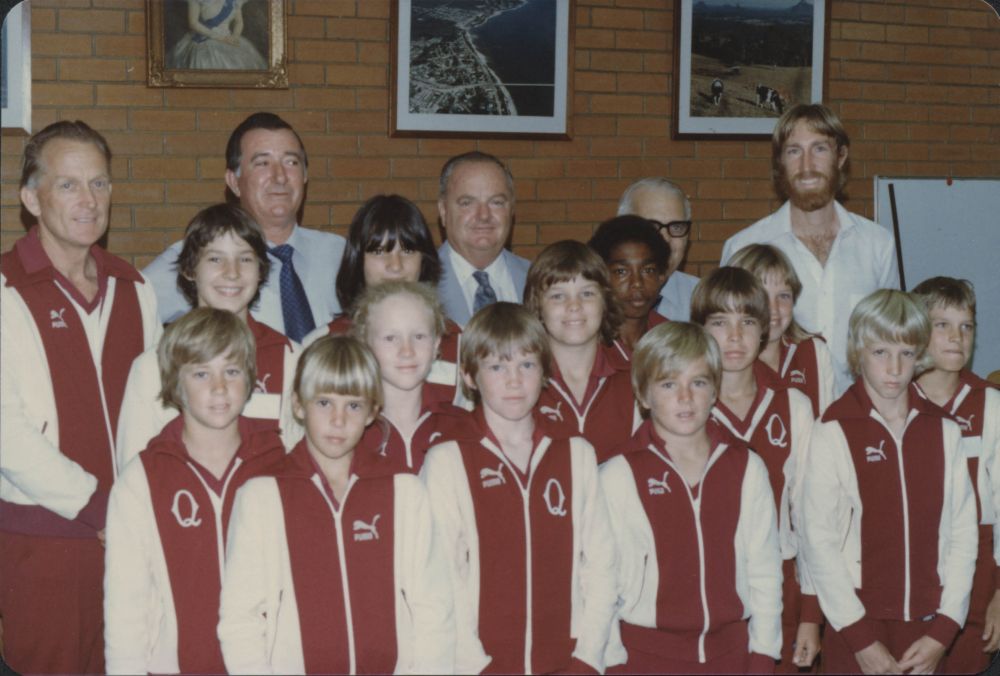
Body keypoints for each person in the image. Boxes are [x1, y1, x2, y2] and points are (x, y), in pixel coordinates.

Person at [0, 120, 161, 674]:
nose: (88, 200)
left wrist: (141, 509)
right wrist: (99, 507)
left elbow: (159, 410)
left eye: (99, 183)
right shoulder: (5, 290)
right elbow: (7, 434)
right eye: (68, 185)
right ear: (31, 199)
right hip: (45, 540)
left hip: (133, 536)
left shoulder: (135, 289)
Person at [218, 335, 454, 673]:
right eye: (324, 403)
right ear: (298, 405)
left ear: (373, 411)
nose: (338, 420)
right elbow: (240, 619)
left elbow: (433, 607)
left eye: (353, 405)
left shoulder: (404, 489)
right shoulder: (261, 495)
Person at [421, 302, 619, 673]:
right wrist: (476, 666)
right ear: (469, 376)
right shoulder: (448, 459)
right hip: (482, 665)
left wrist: (588, 658)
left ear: (545, 372)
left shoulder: (575, 453)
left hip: (569, 662)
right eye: (497, 367)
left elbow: (602, 565)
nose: (514, 380)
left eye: (526, 365)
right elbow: (443, 578)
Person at [799, 289, 977, 674]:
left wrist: (944, 630)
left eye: (906, 353)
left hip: (929, 627)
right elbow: (818, 541)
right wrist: (859, 638)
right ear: (858, 351)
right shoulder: (832, 430)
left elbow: (964, 533)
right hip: (856, 625)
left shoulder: (944, 431)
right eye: (880, 352)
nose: (895, 368)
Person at [104, 308, 285, 674]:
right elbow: (126, 606)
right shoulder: (143, 479)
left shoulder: (281, 466)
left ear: (250, 377)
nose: (219, 387)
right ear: (175, 382)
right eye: (201, 373)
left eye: (232, 371)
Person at [600, 322, 783, 674]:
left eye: (698, 382)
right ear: (643, 395)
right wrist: (613, 663)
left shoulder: (746, 466)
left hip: (732, 655)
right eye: (668, 384)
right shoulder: (618, 475)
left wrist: (763, 654)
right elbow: (600, 583)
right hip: (645, 658)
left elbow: (765, 570)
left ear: (714, 390)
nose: (685, 397)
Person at [720, 104, 899, 395]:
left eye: (819, 149)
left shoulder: (878, 244)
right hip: (776, 411)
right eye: (794, 151)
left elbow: (893, 338)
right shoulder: (744, 247)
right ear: (780, 162)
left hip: (860, 413)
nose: (806, 165)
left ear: (841, 156)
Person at [691, 267, 819, 672]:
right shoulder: (682, 407)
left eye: (747, 322)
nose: (734, 336)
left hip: (780, 585)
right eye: (719, 322)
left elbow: (811, 515)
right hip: (703, 588)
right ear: (699, 329)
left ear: (764, 329)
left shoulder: (793, 405)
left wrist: (811, 613)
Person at [117, 203, 301, 466]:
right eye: (215, 259)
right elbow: (134, 468)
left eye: (245, 259)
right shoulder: (153, 366)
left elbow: (301, 465)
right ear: (190, 269)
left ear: (261, 270)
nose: (232, 273)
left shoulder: (290, 357)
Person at [143, 111, 346, 342]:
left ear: (305, 176)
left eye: (291, 162)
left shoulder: (340, 254)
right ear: (234, 182)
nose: (280, 177)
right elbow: (127, 315)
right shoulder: (197, 256)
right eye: (262, 163)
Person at [911, 277, 1000, 673]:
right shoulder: (893, 399)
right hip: (910, 573)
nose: (956, 337)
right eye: (942, 325)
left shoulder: (990, 404)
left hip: (978, 579)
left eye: (966, 326)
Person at [303, 194, 462, 405]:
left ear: (424, 260)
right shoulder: (321, 344)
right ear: (358, 261)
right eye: (379, 251)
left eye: (407, 250)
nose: (395, 265)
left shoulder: (459, 342)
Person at [525, 240, 639, 464]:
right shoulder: (520, 379)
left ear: (605, 301)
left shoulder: (636, 377)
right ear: (537, 305)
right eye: (558, 296)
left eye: (587, 293)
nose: (574, 305)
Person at [352, 281, 464, 473]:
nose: (407, 351)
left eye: (419, 336)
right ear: (365, 345)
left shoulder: (462, 427)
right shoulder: (348, 430)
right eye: (390, 338)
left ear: (436, 344)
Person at [728, 243, 836, 416]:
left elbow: (826, 422)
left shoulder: (814, 351)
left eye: (784, 296)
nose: (773, 308)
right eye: (762, 296)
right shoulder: (730, 359)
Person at [436, 151, 531, 326]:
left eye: (496, 202)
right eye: (467, 203)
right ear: (443, 211)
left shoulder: (538, 280)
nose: (484, 215)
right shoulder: (418, 283)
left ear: (511, 210)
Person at [617, 177, 700, 321]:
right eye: (651, 226)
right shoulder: (590, 297)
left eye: (676, 227)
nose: (665, 239)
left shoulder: (704, 299)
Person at [588, 214, 670, 352]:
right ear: (600, 277)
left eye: (648, 270)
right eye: (621, 271)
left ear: (661, 277)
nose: (637, 283)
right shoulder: (585, 341)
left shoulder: (671, 339)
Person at [167, 0, 267, 71]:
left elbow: (238, 22)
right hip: (205, 40)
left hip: (229, 39)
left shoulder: (234, 1)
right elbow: (193, 23)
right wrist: (219, 37)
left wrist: (235, 36)